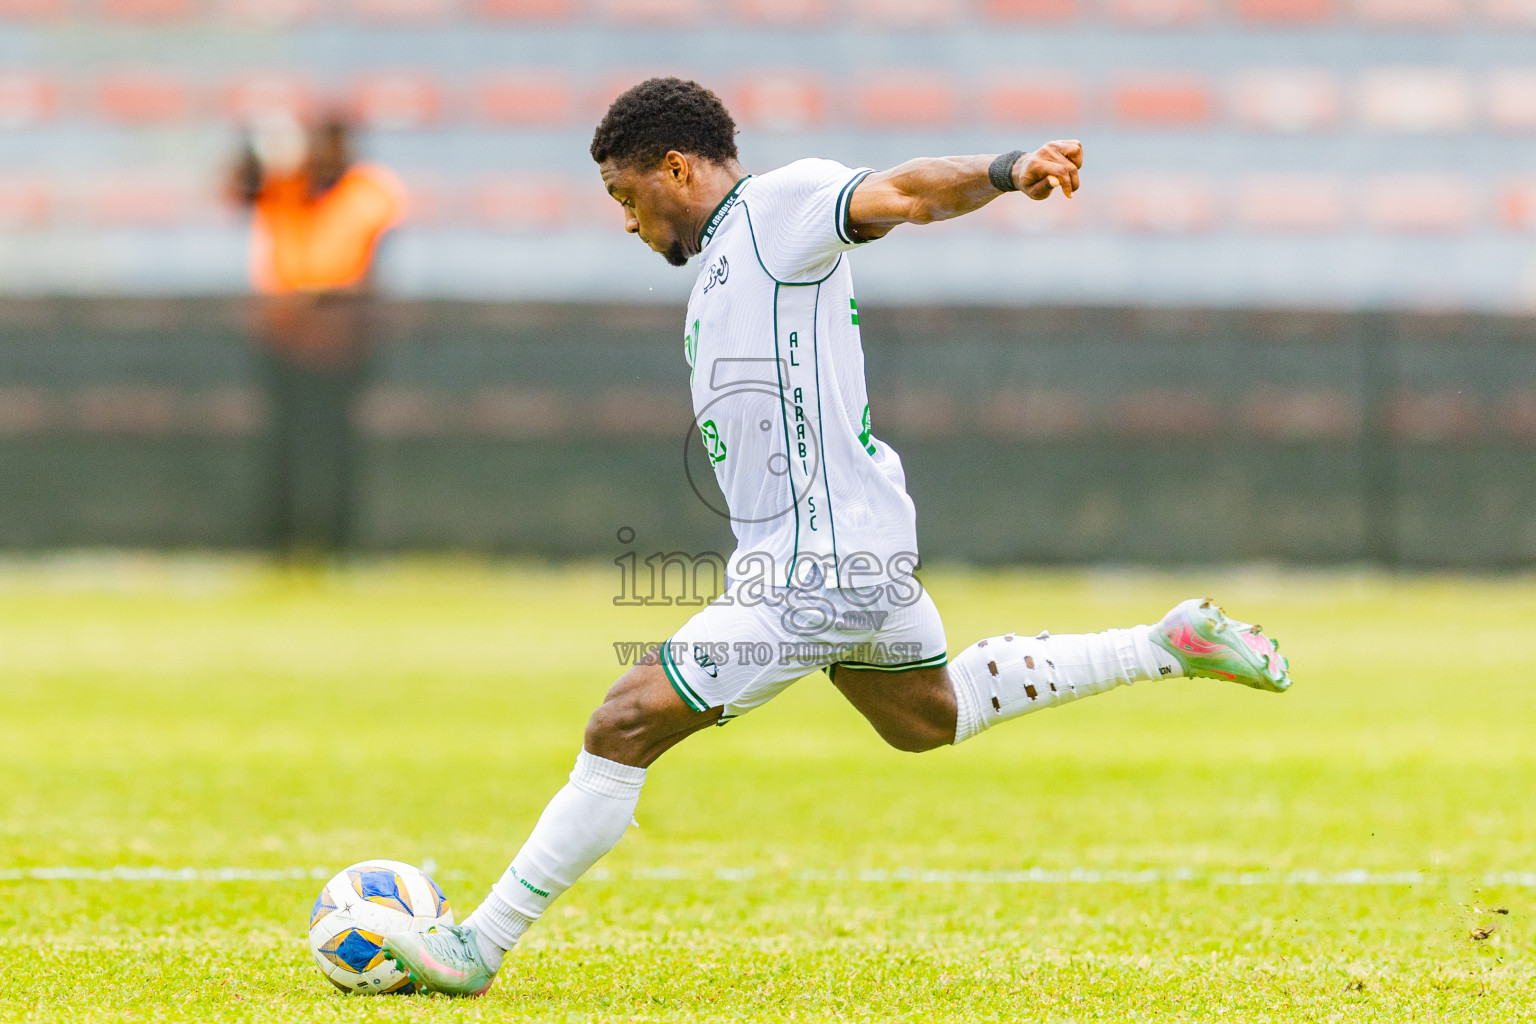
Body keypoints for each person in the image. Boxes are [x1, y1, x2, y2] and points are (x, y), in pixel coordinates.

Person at [382, 77, 1292, 996]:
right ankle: (1165, 644)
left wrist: (1008, 169)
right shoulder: (731, 263)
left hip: (816, 565)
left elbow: (905, 190)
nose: (626, 219)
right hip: (846, 551)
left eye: (625, 195)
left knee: (623, 723)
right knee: (925, 717)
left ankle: (478, 945)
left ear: (674, 165)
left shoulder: (776, 209)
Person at [229, 111, 406, 555]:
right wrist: (260, 142)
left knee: (337, 448)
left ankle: (336, 544)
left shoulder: (367, 190)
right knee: (280, 450)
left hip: (341, 336)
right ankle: (279, 543)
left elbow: (375, 270)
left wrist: (321, 296)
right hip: (283, 336)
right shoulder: (286, 184)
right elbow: (237, 186)